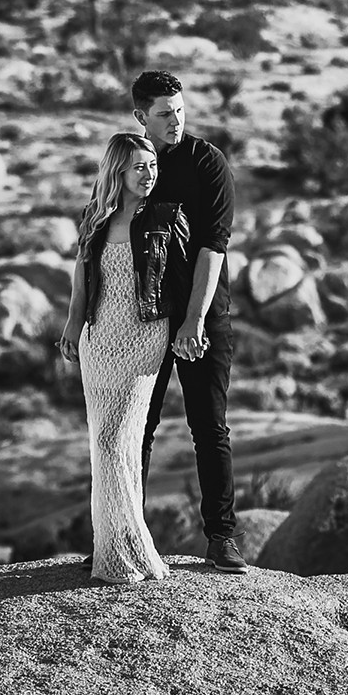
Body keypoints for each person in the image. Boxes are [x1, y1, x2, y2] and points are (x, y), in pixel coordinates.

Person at [55, 130, 188, 585]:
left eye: (152, 165)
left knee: (118, 438)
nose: (149, 174)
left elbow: (184, 280)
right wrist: (74, 324)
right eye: (139, 167)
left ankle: (134, 548)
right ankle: (113, 547)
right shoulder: (95, 217)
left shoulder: (167, 217)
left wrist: (194, 325)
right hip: (99, 336)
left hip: (145, 335)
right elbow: (82, 278)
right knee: (107, 443)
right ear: (118, 171)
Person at [128, 70, 245, 573]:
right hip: (144, 315)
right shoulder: (132, 164)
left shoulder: (207, 162)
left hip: (204, 314)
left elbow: (212, 245)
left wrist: (193, 322)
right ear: (140, 117)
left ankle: (221, 538)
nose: (175, 122)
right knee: (138, 427)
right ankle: (123, 534)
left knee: (208, 426)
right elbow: (105, 235)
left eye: (180, 111)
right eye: (163, 114)